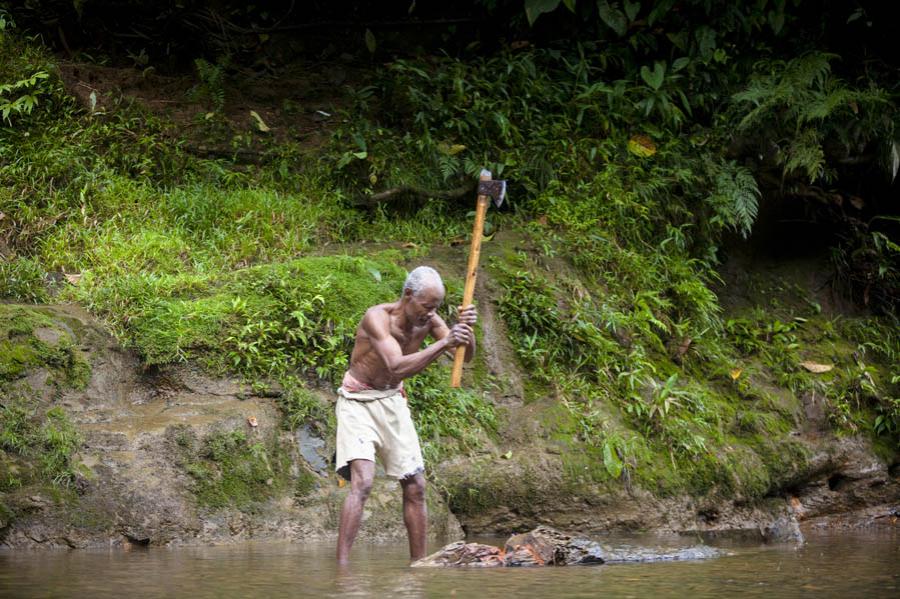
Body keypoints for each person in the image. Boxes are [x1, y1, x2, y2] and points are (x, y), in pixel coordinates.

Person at [334, 266, 476, 565]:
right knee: (363, 482)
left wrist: (466, 331)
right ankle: (342, 568)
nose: (431, 313)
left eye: (436, 308)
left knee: (416, 485)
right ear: (408, 295)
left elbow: (465, 355)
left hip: (392, 400)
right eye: (426, 306)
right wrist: (444, 343)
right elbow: (396, 365)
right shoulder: (377, 317)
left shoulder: (430, 320)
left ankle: (419, 565)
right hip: (358, 400)